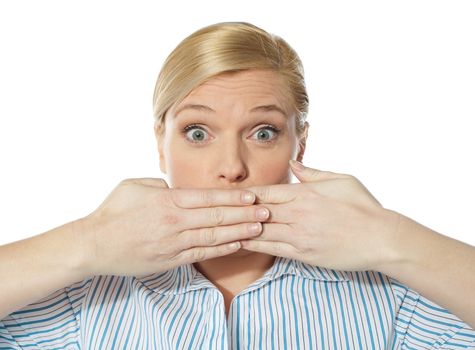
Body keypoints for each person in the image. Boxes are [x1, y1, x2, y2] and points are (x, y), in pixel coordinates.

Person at [1, 21, 474, 349]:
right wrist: (86, 240)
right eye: (198, 133)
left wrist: (390, 237)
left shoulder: (389, 297)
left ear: (299, 145)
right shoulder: (82, 300)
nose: (231, 168)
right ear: (161, 146)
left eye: (263, 132)